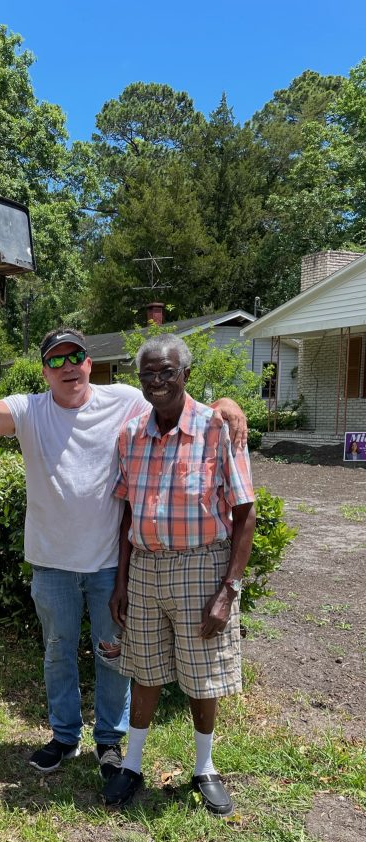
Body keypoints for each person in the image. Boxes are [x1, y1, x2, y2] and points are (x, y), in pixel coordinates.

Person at [0, 323, 248, 780]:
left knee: (113, 652)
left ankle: (110, 743)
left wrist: (228, 404)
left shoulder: (124, 399)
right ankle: (64, 736)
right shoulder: (29, 409)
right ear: (44, 371)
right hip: (51, 562)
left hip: (108, 565)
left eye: (74, 356)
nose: (67, 367)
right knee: (57, 651)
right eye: (55, 360)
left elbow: (178, 402)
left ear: (88, 363)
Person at [104, 334, 256, 816]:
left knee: (201, 676)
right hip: (146, 567)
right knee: (142, 669)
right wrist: (122, 582)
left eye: (166, 372)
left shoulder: (217, 428)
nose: (157, 382)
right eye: (148, 374)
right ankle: (131, 765)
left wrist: (228, 590)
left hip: (200, 566)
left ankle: (205, 767)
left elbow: (245, 512)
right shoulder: (131, 435)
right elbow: (127, 513)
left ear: (185, 374)